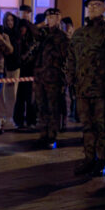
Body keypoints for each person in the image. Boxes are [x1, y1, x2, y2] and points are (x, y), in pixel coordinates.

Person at [65, 0, 105, 176]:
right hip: (83, 88)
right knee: (87, 126)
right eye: (90, 5)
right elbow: (71, 59)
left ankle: (101, 160)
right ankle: (89, 158)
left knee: (102, 126)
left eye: (97, 5)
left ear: (104, 8)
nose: (93, 8)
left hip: (102, 89)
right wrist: (71, 80)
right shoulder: (79, 33)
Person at [25, 8, 70, 148]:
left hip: (54, 78)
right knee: (41, 107)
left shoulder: (62, 37)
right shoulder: (42, 35)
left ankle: (52, 135)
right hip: (40, 77)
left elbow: (67, 58)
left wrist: (64, 78)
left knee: (53, 107)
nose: (50, 20)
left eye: (53, 17)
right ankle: (43, 134)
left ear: (58, 18)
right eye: (48, 18)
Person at [15, 5, 38, 130]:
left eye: (27, 13)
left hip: (31, 67)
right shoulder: (16, 27)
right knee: (19, 96)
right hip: (18, 67)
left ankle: (31, 120)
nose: (24, 15)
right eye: (22, 13)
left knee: (30, 96)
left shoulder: (34, 29)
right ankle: (19, 120)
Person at [0, 12, 21, 130]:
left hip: (15, 67)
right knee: (2, 95)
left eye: (12, 20)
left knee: (12, 94)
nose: (10, 22)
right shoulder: (3, 34)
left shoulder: (16, 33)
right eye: (8, 20)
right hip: (5, 67)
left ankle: (10, 117)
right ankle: (1, 117)